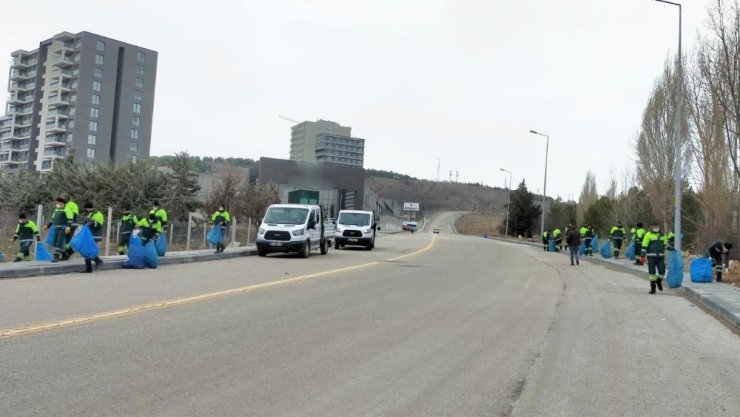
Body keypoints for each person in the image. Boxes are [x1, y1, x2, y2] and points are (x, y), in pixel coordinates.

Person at [641, 222, 669, 294]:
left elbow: (666, 244)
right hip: (651, 257)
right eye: (654, 226)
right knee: (652, 273)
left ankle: (658, 281)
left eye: (657, 226)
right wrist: (643, 256)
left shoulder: (663, 235)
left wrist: (670, 248)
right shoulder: (648, 235)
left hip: (661, 257)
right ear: (652, 227)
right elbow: (644, 246)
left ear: (659, 226)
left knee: (662, 273)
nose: (655, 227)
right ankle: (653, 288)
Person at [45, 197, 73, 262]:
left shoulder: (66, 209)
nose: (56, 204)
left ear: (62, 202)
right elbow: (52, 219)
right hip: (56, 228)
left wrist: (68, 227)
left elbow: (70, 219)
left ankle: (56, 257)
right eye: (56, 203)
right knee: (55, 242)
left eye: (57, 203)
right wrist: (47, 226)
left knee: (59, 242)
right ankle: (65, 255)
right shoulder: (56, 210)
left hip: (62, 228)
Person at [79, 202, 105, 273]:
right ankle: (89, 268)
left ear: (89, 208)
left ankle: (98, 261)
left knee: (89, 251)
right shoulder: (89, 215)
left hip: (95, 236)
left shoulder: (97, 214)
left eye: (85, 209)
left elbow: (99, 224)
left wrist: (92, 223)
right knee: (86, 251)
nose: (85, 210)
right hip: (88, 236)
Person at [61, 192, 79, 260]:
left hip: (71, 224)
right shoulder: (62, 205)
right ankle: (69, 251)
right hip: (64, 225)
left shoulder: (72, 205)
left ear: (67, 198)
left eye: (63, 198)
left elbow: (74, 215)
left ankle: (66, 254)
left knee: (66, 239)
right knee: (64, 239)